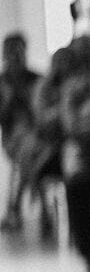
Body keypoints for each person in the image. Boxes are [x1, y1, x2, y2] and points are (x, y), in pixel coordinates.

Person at [0, 33, 41, 231]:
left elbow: (41, 112)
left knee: (30, 154)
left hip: (40, 138)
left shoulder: (37, 79)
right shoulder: (2, 83)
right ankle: (39, 207)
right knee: (29, 153)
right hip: (14, 139)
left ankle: (14, 208)